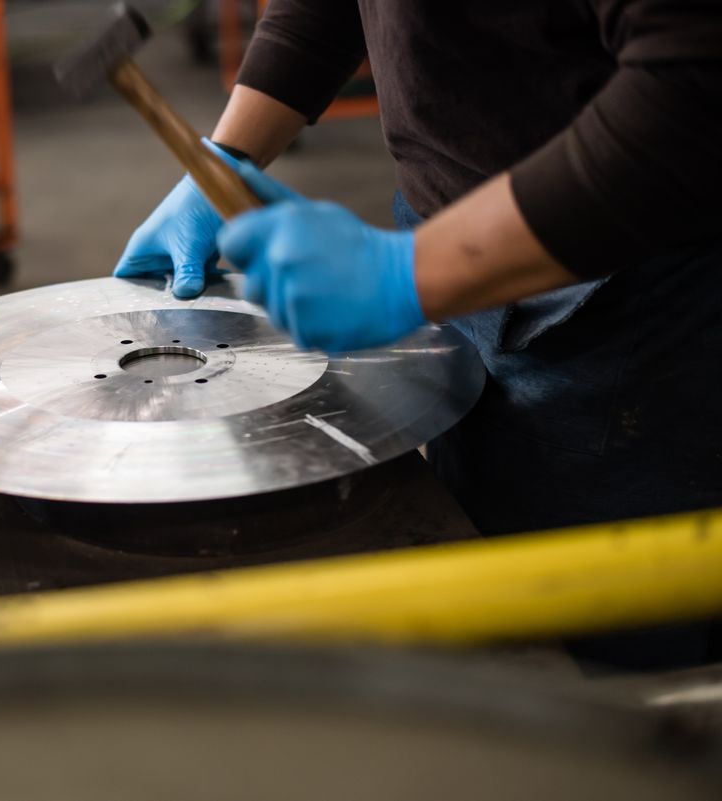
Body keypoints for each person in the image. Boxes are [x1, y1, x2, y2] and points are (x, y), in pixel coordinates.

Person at [114, 1, 722, 668]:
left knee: (601, 661)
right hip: (448, 236)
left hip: (629, 297)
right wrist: (224, 159)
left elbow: (694, 87)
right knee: (488, 578)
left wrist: (408, 273)